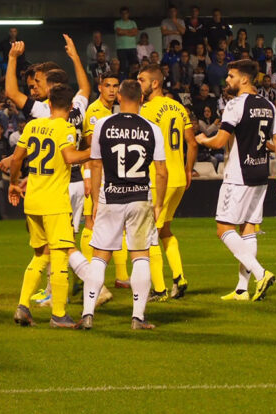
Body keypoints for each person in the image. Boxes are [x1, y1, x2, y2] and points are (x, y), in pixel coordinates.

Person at [72, 80, 167, 330]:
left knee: (100, 258)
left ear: (120, 97)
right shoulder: (152, 129)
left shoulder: (103, 125)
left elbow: (95, 165)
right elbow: (161, 172)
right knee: (141, 257)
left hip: (110, 197)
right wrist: (158, 204)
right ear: (141, 98)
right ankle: (137, 317)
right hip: (140, 198)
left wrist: (93, 201)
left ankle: (88, 314)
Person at [195, 59, 276, 301]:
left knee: (223, 229)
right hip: (260, 175)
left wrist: (202, 140)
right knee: (248, 229)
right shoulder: (268, 105)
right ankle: (241, 289)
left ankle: (261, 273)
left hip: (238, 176)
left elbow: (218, 142)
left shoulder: (235, 105)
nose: (227, 80)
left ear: (244, 79)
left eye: (231, 76)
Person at [9, 84, 91, 328]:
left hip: (32, 200)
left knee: (39, 255)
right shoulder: (65, 127)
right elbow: (70, 158)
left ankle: (23, 307)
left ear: (50, 103)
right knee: (60, 255)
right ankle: (59, 315)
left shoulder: (33, 125)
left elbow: (16, 158)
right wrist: (94, 151)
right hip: (54, 202)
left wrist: (13, 184)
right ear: (72, 106)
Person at [138, 64, 198, 300]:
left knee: (149, 234)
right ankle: (179, 277)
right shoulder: (178, 107)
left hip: (158, 180)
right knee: (165, 231)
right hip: (179, 177)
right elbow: (192, 143)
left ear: (155, 83)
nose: (138, 83)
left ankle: (159, 289)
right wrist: (189, 170)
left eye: (142, 79)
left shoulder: (148, 110)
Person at [80, 72, 130, 288]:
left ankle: (121, 277)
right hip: (94, 174)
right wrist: (89, 177)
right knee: (91, 222)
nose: (111, 89)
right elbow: (91, 149)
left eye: (115, 86)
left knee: (119, 225)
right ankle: (88, 275)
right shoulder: (95, 111)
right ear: (99, 87)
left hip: (110, 175)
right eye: (107, 85)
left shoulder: (112, 111)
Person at [114, 7, 139, 77]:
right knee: (123, 66)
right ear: (120, 14)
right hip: (121, 48)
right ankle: (123, 80)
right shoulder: (117, 22)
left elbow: (135, 32)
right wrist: (129, 31)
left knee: (134, 66)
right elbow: (118, 32)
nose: (124, 15)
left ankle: (133, 79)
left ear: (128, 14)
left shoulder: (132, 23)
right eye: (123, 13)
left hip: (132, 47)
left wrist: (124, 31)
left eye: (126, 13)